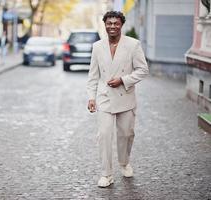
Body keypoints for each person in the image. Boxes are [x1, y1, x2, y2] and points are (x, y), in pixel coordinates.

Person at [86, 11, 149, 188]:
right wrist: (91, 97)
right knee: (104, 135)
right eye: (109, 23)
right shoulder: (97, 46)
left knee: (126, 134)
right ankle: (106, 174)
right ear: (104, 25)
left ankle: (124, 162)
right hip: (105, 98)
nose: (112, 26)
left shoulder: (133, 45)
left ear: (121, 25)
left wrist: (123, 80)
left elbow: (143, 70)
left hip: (125, 97)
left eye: (116, 23)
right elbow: (93, 75)